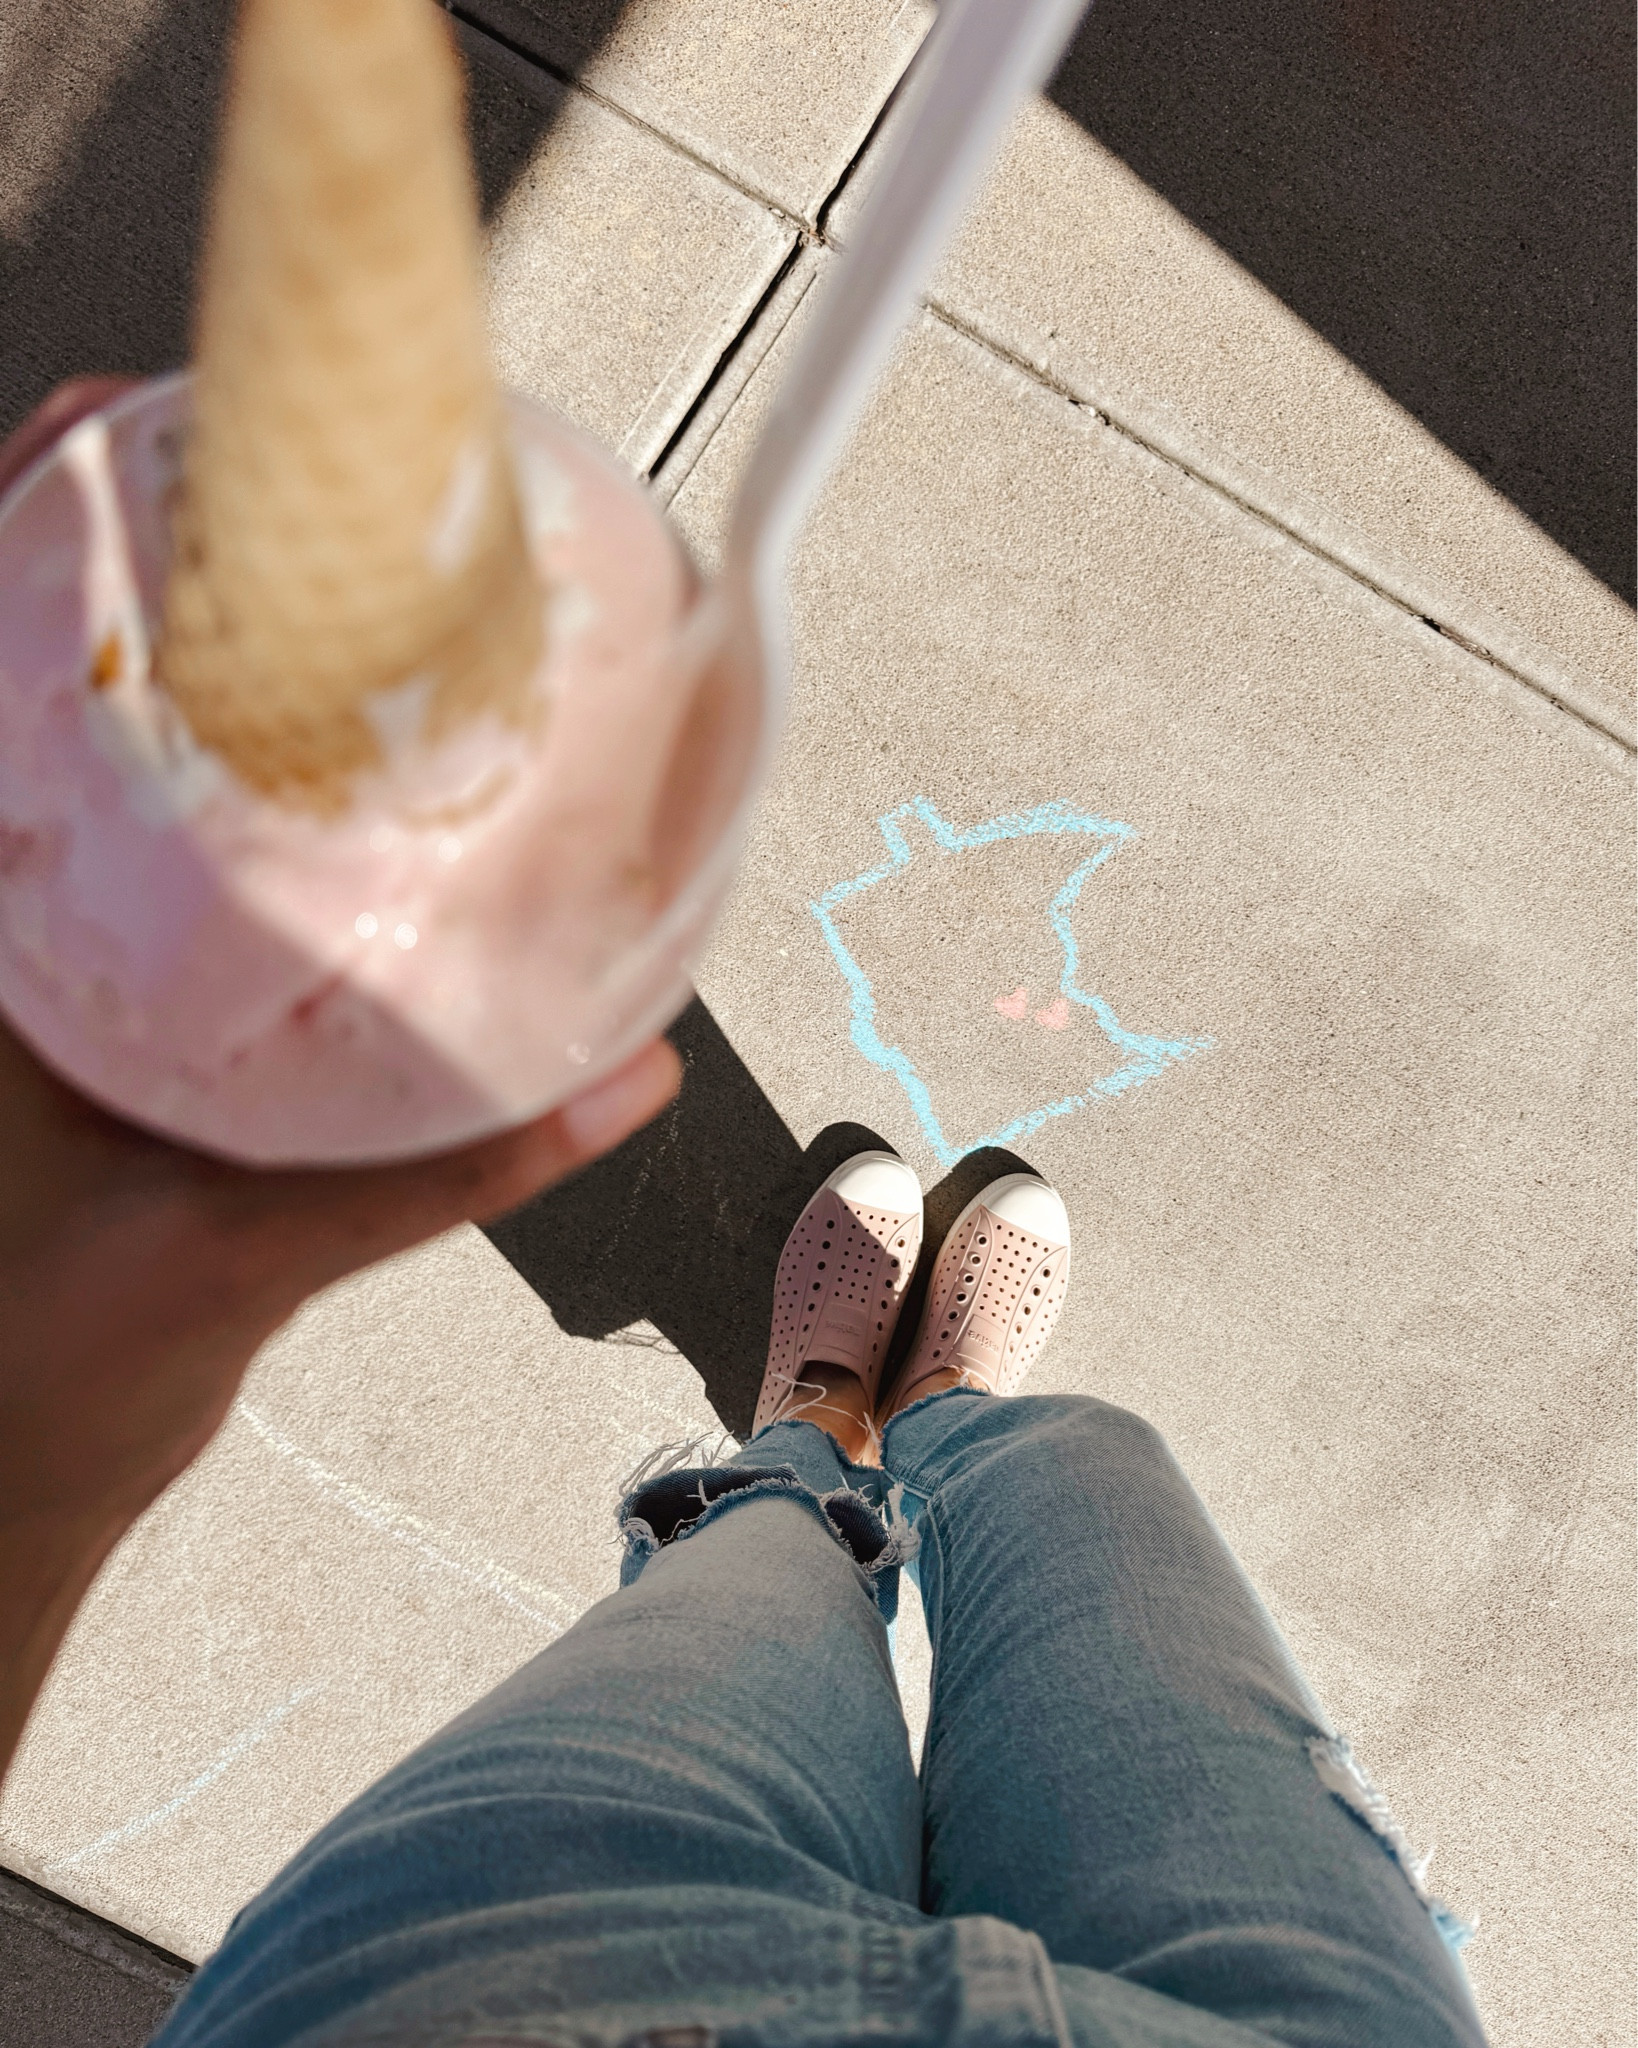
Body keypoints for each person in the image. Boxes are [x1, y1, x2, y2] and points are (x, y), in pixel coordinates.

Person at [1, 388, 1485, 2048]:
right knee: (1090, 1486)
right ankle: (937, 1407)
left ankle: (809, 1426)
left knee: (757, 1585)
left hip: (519, 1982)